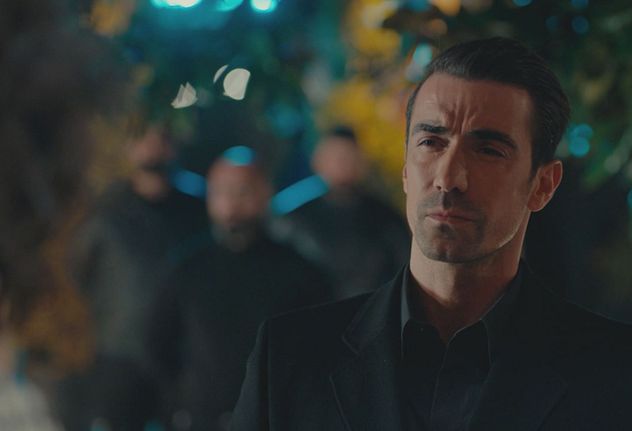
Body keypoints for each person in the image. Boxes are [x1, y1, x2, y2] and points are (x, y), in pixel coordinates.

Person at [230, 37, 632, 430]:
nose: (449, 177)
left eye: (488, 150)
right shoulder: (289, 357)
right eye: (431, 142)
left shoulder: (628, 376)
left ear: (543, 185)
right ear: (406, 168)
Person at [148, 146, 332, 431]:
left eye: (242, 191)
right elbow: (158, 344)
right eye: (221, 192)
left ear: (265, 192)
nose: (231, 204)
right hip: (201, 420)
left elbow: (322, 350)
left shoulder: (300, 272)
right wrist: (180, 403)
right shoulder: (187, 269)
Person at [55, 120, 208, 430]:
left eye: (161, 137)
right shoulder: (103, 213)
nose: (153, 147)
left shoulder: (199, 210)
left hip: (185, 359)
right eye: (143, 138)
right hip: (118, 356)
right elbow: (74, 279)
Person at [271, 126, 410, 299]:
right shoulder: (294, 219)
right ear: (317, 160)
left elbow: (403, 272)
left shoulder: (386, 219)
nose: (342, 164)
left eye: (348, 157)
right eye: (335, 157)